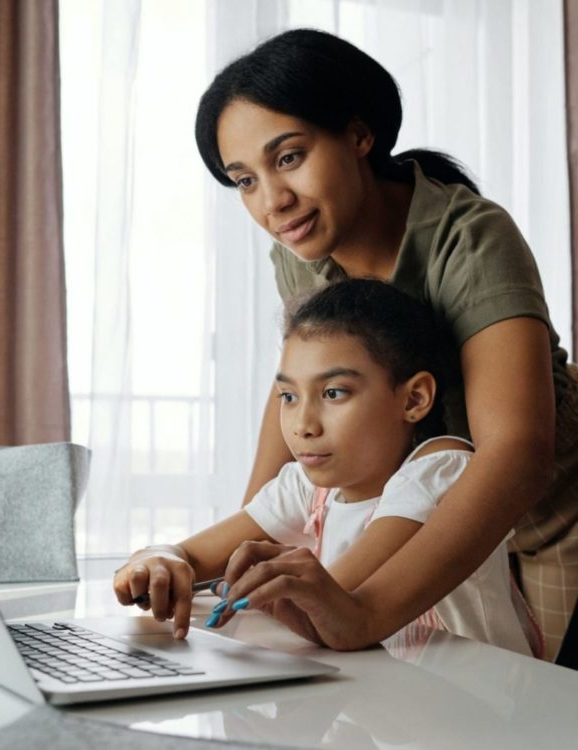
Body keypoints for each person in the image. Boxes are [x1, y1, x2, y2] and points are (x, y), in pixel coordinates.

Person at [193, 28, 578, 660]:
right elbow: (293, 391)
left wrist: (364, 611)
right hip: (415, 514)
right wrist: (246, 554)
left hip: (543, 518)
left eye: (287, 158)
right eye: (244, 180)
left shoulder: (470, 237)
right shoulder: (297, 249)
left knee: (536, 711)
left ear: (359, 134)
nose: (272, 202)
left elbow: (516, 454)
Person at [114, 279, 539, 655]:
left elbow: (332, 602)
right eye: (289, 397)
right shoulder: (309, 487)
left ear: (413, 399)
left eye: (334, 393)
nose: (302, 425)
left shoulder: (441, 470)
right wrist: (157, 561)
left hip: (473, 710)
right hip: (385, 705)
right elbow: (191, 553)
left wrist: (242, 586)